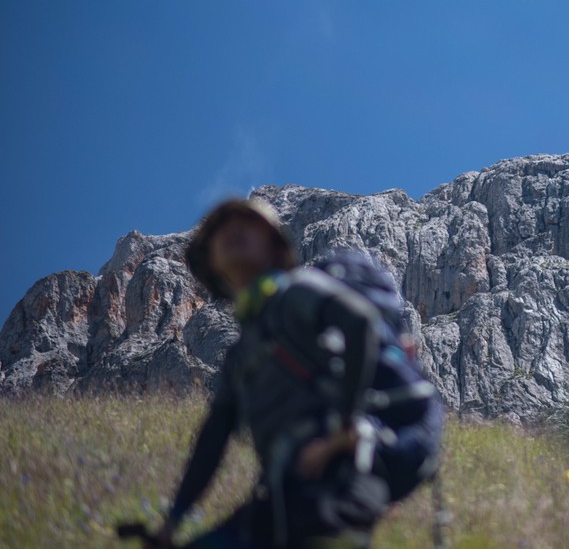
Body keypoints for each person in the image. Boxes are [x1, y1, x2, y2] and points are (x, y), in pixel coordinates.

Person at [158, 198, 393, 549]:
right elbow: (213, 439)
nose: (233, 231)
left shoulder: (297, 290)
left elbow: (361, 324)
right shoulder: (241, 353)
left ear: (274, 246)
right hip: (280, 495)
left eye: (248, 225)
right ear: (212, 264)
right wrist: (172, 522)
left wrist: (345, 427)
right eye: (220, 231)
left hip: (338, 481)